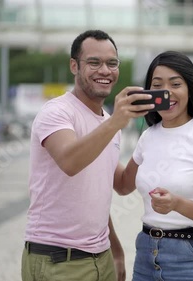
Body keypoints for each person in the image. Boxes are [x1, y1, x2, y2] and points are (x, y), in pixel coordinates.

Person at [21, 30, 156, 281]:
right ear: (74, 65)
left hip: (101, 257)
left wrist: (151, 140)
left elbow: (122, 185)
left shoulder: (107, 122)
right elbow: (70, 162)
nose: (105, 70)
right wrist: (116, 122)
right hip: (58, 259)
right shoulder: (57, 112)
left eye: (112, 63)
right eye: (94, 62)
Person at [115, 51, 193, 281]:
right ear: (150, 93)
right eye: (158, 85)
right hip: (145, 257)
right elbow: (122, 185)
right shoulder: (147, 137)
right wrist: (108, 126)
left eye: (176, 84)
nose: (167, 92)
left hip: (192, 260)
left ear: (190, 88)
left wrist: (177, 203)